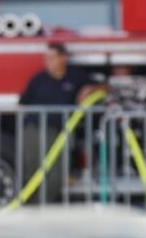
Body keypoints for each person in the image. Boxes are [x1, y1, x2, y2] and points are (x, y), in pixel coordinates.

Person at [18, 42, 102, 204]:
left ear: (64, 58)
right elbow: (23, 103)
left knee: (57, 174)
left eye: (51, 58)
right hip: (34, 131)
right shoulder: (38, 79)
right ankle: (32, 207)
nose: (47, 62)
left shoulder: (76, 77)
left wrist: (90, 90)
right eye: (46, 58)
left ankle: (44, 204)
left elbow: (105, 87)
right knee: (31, 170)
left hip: (60, 133)